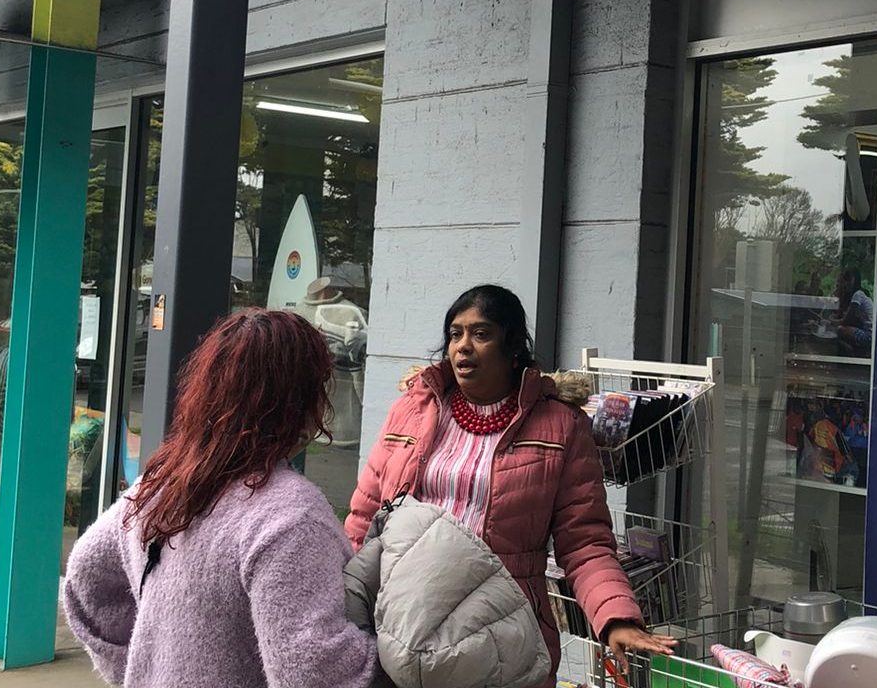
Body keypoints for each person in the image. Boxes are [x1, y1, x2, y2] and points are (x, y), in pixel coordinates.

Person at [348, 285, 676, 682]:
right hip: (401, 614)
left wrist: (614, 618)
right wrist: (339, 598)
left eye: (481, 334)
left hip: (501, 626)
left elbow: (585, 542)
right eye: (455, 334)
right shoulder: (412, 411)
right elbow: (365, 516)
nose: (463, 347)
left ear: (513, 347)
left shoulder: (561, 426)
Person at [63, 309, 377, 688]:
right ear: (298, 399)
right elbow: (313, 673)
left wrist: (144, 665)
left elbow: (84, 575)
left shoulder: (163, 483)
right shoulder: (290, 515)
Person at [834, 269, 874, 356]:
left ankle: (852, 354)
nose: (845, 283)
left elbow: (847, 319)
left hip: (869, 336)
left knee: (840, 329)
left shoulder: (858, 295)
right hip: (868, 332)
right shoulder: (861, 295)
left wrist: (832, 323)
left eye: (847, 280)